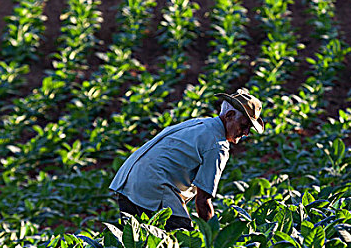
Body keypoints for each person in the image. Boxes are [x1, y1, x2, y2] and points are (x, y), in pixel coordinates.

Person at [109, 88, 264, 231]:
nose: (245, 133)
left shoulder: (199, 123)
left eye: (249, 129)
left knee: (137, 246)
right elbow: (203, 201)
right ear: (229, 116)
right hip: (154, 186)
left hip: (127, 181)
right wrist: (214, 239)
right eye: (244, 125)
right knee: (183, 242)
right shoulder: (217, 145)